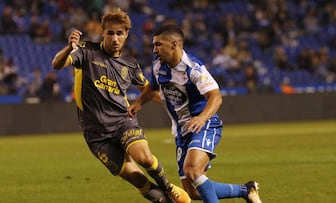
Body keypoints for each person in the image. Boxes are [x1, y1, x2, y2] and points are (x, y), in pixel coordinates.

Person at [51, 9, 190, 203]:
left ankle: (168, 187)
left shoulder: (130, 64)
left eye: (119, 33)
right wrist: (68, 48)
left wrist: (172, 104)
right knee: (139, 181)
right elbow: (57, 64)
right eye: (110, 33)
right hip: (96, 134)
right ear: (103, 33)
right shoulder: (86, 51)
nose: (114, 38)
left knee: (145, 159)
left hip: (123, 122)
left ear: (126, 35)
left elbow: (148, 89)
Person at [128, 24, 263, 203]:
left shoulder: (193, 68)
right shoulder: (157, 67)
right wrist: (138, 103)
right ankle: (246, 190)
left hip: (204, 124)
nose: (154, 50)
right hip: (182, 131)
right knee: (193, 191)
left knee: (192, 170)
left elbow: (216, 96)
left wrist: (202, 117)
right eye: (154, 45)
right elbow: (152, 88)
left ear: (174, 44)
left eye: (158, 45)